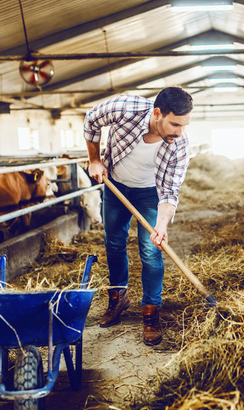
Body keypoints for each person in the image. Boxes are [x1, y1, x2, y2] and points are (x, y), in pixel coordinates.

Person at [84, 86, 193, 346]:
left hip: (150, 193)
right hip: (115, 185)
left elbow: (170, 191)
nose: (180, 132)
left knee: (152, 248)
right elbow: (91, 120)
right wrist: (94, 159)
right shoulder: (125, 108)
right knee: (113, 242)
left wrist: (162, 224)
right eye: (175, 124)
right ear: (157, 113)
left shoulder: (180, 145)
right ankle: (118, 297)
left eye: (185, 125)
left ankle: (151, 311)